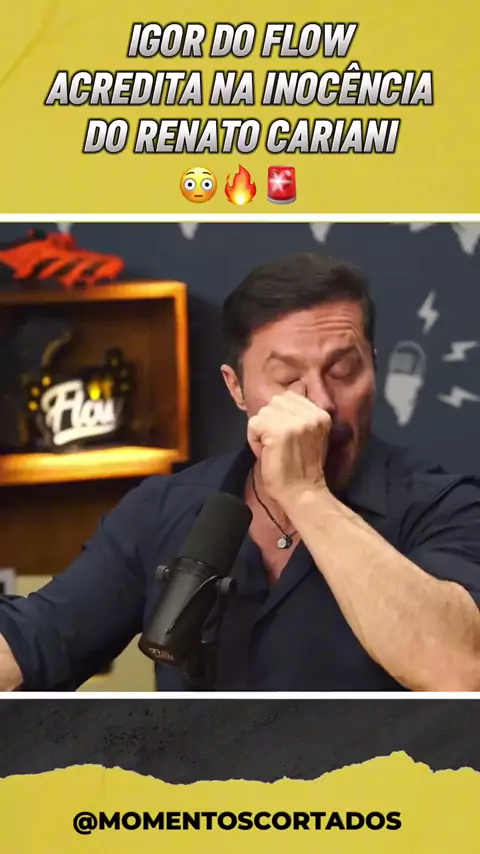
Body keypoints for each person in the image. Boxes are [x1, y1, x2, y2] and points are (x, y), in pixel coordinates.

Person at [1, 252, 480, 692]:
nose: (322, 403)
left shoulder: (443, 505)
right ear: (237, 389)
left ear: (373, 371)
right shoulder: (163, 508)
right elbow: (34, 644)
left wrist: (306, 495)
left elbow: (460, 672)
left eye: (343, 371)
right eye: (288, 378)